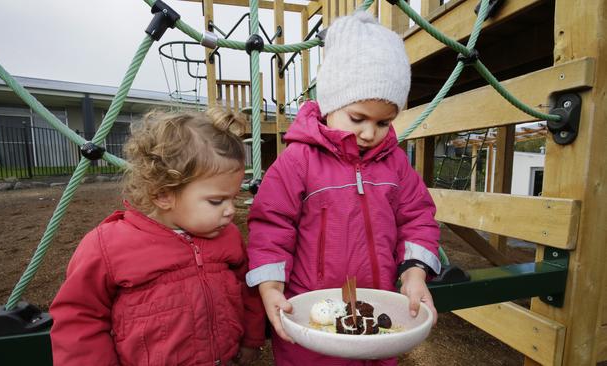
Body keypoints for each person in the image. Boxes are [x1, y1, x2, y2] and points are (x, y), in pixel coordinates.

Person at [246, 11, 441, 366]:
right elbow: (270, 226)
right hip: (311, 318)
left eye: (384, 122)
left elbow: (418, 218)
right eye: (358, 118)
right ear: (331, 102)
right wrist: (270, 287)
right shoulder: (298, 160)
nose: (370, 133)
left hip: (377, 313)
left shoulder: (395, 162)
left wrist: (414, 274)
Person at [50, 108, 265, 365]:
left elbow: (247, 291)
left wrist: (251, 340)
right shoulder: (110, 245)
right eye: (217, 201)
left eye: (234, 198)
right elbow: (79, 319)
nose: (230, 211)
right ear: (163, 194)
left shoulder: (227, 237)